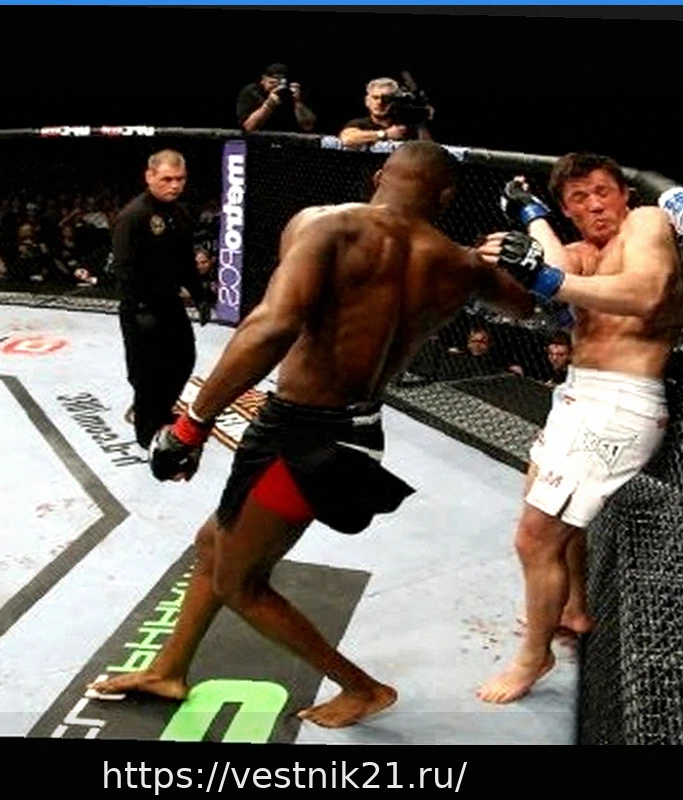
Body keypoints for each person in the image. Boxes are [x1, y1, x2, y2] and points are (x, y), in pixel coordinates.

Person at [88, 141, 536, 728]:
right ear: (447, 198)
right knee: (213, 544)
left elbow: (273, 326)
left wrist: (194, 423)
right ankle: (168, 669)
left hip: (305, 442)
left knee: (240, 581)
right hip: (351, 429)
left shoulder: (326, 225)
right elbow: (529, 306)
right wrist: (532, 241)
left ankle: (363, 688)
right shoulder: (462, 265)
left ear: (379, 175)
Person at [474, 152, 683, 703]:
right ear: (566, 210)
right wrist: (529, 218)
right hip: (577, 394)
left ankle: (534, 656)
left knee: (535, 536)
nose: (595, 206)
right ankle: (573, 609)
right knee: (550, 513)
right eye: (579, 199)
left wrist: (546, 275)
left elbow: (644, 294)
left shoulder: (645, 225)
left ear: (624, 194)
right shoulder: (584, 255)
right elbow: (548, 277)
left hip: (620, 402)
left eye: (602, 192)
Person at [113, 149, 214, 447]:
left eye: (180, 179)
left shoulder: (180, 214)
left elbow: (185, 262)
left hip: (169, 304)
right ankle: (147, 436)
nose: (175, 185)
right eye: (167, 179)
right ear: (150, 176)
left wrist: (200, 296)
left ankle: (160, 410)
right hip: (140, 308)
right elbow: (124, 268)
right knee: (146, 373)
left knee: (183, 361)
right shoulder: (134, 216)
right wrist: (139, 308)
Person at [338, 77, 432, 149]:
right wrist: (385, 134)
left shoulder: (406, 126)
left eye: (386, 99)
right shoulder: (359, 124)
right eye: (375, 98)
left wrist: (420, 122)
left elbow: (429, 150)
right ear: (367, 101)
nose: (380, 102)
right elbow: (347, 139)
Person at [236, 63, 317, 133]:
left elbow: (308, 126)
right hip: (258, 140)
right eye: (272, 83)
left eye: (279, 84)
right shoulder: (252, 92)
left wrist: (298, 103)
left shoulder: (295, 93)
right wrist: (268, 105)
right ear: (263, 80)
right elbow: (248, 127)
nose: (276, 87)